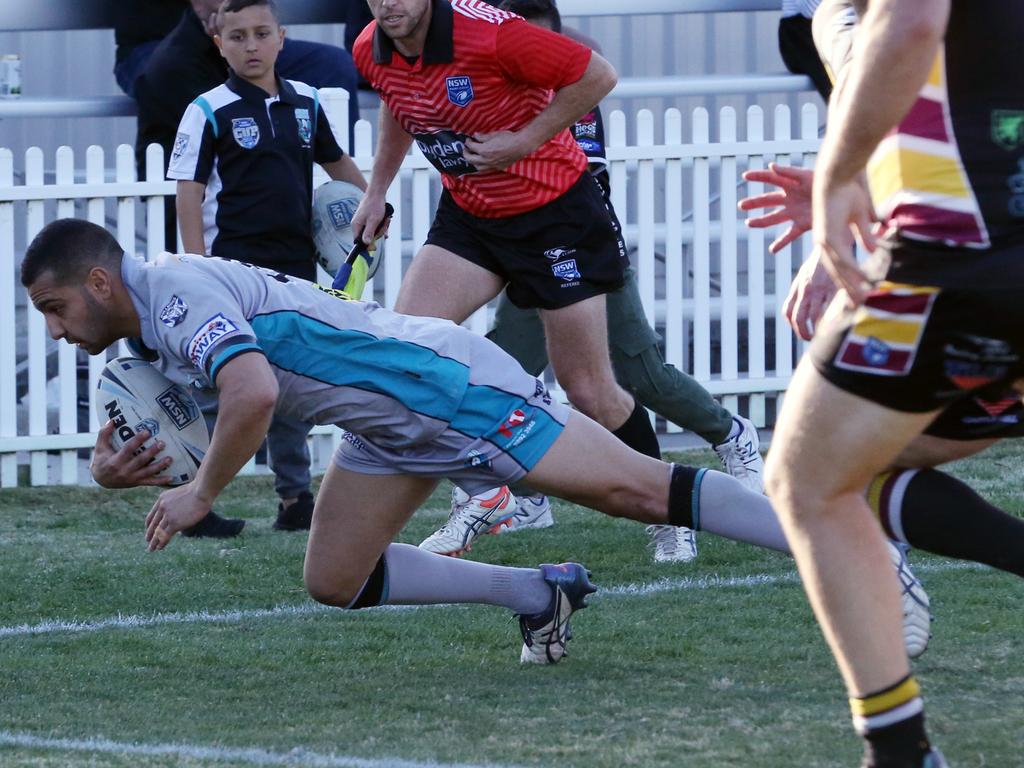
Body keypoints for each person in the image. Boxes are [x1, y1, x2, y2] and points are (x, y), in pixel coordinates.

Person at [23, 218, 803, 666]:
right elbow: (169, 430)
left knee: (638, 489)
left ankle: (835, 543)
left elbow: (252, 391)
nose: (55, 332)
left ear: (98, 282)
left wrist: (201, 494)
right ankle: (542, 594)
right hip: (384, 427)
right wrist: (111, 470)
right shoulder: (141, 345)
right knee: (336, 579)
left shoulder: (176, 292)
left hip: (442, 386)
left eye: (55, 309)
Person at [763, 0, 1024, 765]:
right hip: (985, 243)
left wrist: (839, 180)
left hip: (966, 259)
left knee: (808, 480)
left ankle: (900, 752)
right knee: (868, 463)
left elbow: (911, 25)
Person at [417, 0, 763, 565]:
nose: (529, 61)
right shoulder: (471, 68)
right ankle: (523, 497)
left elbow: (576, 182)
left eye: (540, 48)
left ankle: (729, 437)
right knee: (505, 371)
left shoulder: (570, 92)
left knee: (634, 374)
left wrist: (520, 144)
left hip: (579, 244)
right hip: (511, 246)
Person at [349, 0, 677, 568]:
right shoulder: (370, 45)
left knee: (589, 391)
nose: (389, 3)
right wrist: (376, 191)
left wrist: (525, 138)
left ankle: (671, 514)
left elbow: (598, 75)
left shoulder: (492, 35)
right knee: (404, 354)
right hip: (471, 217)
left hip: (554, 215)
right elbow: (399, 105)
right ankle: (488, 494)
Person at [155, 0, 367, 536]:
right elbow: (190, 192)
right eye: (238, 36)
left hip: (295, 270)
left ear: (281, 37)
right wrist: (198, 266)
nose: (251, 45)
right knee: (214, 384)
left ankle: (295, 499)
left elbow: (335, 163)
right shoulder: (208, 109)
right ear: (218, 42)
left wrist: (371, 203)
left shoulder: (307, 103)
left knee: (290, 384)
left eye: (261, 33)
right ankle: (196, 499)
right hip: (231, 273)